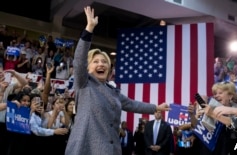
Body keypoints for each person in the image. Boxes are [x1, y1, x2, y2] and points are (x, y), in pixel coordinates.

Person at [65, 6, 170, 155]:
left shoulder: (113, 91)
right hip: (86, 148)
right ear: (88, 68)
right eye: (96, 62)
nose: (101, 64)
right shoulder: (84, 83)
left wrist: (156, 108)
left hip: (110, 149)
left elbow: (133, 104)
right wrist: (89, 28)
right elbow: (79, 60)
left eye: (104, 62)